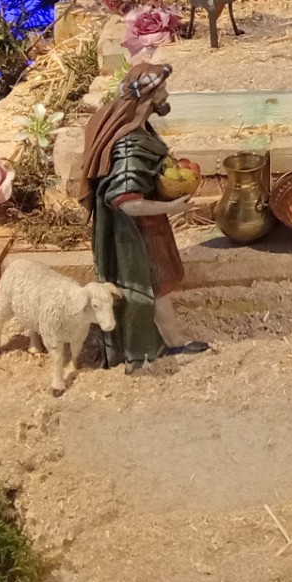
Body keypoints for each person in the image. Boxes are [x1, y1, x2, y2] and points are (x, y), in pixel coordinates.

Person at [79, 63, 209, 372]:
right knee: (154, 285)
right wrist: (172, 207)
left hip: (147, 227)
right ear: (148, 97)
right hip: (137, 234)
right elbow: (125, 201)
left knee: (159, 285)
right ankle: (155, 344)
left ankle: (171, 337)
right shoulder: (131, 145)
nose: (167, 94)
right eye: (161, 89)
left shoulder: (138, 128)